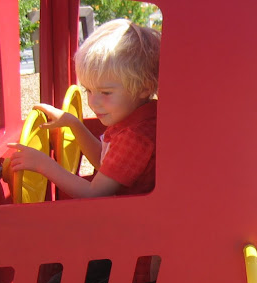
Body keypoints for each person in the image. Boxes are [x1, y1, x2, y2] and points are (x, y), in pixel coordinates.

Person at [8, 19, 160, 198]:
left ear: (145, 88)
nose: (93, 102)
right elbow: (105, 163)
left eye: (106, 92)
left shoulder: (135, 137)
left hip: (128, 220)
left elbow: (93, 193)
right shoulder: (134, 118)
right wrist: (74, 123)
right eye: (88, 90)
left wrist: (44, 165)